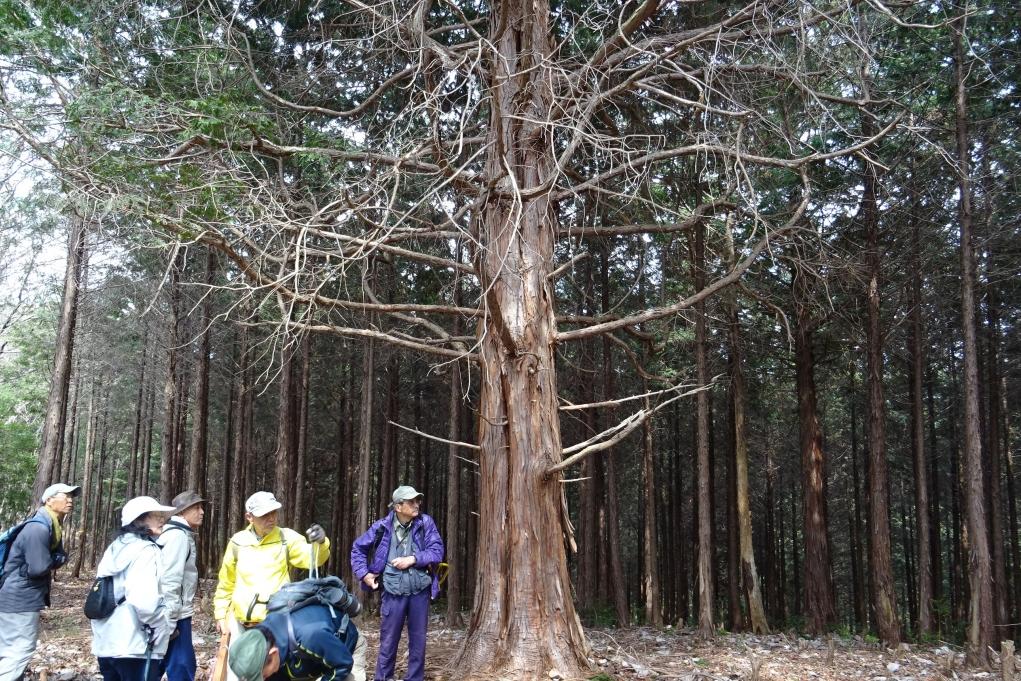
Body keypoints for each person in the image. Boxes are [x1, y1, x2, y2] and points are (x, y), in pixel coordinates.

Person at [350, 486, 444, 681]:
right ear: (398, 507)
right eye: (411, 502)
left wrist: (413, 559)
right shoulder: (381, 527)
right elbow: (357, 549)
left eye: (418, 500)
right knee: (388, 642)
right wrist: (364, 574)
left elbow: (437, 552)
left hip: (420, 592)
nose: (417, 504)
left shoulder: (426, 523)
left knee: (418, 644)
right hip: (392, 592)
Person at [213, 491, 330, 637]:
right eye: (264, 515)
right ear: (249, 517)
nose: (271, 518)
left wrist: (321, 543)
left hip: (277, 624)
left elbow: (313, 559)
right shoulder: (238, 542)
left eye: (273, 512)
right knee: (239, 660)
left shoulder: (286, 538)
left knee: (276, 660)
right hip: (240, 625)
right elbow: (226, 582)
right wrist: (221, 614)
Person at [91, 495, 177, 681]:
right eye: (155, 515)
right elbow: (145, 601)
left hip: (107, 643)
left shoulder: (115, 548)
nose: (162, 519)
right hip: (136, 645)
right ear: (139, 520)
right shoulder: (146, 551)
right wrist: (161, 627)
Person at [0, 482, 80, 681]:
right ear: (49, 500)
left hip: (16, 595)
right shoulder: (38, 528)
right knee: (20, 649)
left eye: (72, 497)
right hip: (20, 598)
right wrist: (59, 559)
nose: (70, 500)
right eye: (65, 496)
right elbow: (38, 567)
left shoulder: (50, 524)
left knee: (10, 649)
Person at [226, 602, 366, 681]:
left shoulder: (309, 635)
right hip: (311, 658)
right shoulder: (261, 638)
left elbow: (343, 663)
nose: (264, 678)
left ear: (273, 654)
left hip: (346, 650)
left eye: (262, 675)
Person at [158, 490, 206, 681]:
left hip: (172, 612)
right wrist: (170, 619)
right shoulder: (177, 536)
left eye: (201, 507)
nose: (201, 512)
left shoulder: (175, 533)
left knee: (160, 662)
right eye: (196, 508)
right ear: (180, 513)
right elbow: (170, 578)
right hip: (175, 614)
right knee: (182, 666)